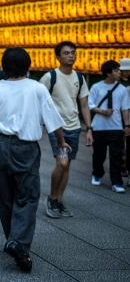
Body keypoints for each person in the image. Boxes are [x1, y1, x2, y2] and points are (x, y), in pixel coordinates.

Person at [0, 48, 69, 272]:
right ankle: (18, 242)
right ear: (28, 66)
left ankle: (11, 238)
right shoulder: (36, 88)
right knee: (28, 196)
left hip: (1, 145)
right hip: (26, 147)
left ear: (4, 67)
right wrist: (60, 142)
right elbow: (53, 120)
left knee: (6, 194)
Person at [39, 42, 93, 215]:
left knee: (67, 165)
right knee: (62, 163)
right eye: (67, 53)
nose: (71, 56)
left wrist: (89, 128)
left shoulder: (80, 78)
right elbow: (39, 100)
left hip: (75, 127)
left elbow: (84, 105)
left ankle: (58, 201)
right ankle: (52, 198)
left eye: (73, 53)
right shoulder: (50, 77)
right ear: (58, 57)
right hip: (57, 128)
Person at [88, 60, 130, 193]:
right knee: (99, 154)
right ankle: (97, 174)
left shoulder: (122, 89)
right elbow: (90, 105)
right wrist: (103, 111)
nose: (119, 72)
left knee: (116, 156)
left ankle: (117, 182)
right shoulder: (96, 87)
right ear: (108, 73)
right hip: (99, 127)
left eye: (119, 70)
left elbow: (125, 109)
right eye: (116, 70)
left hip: (116, 127)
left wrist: (127, 125)